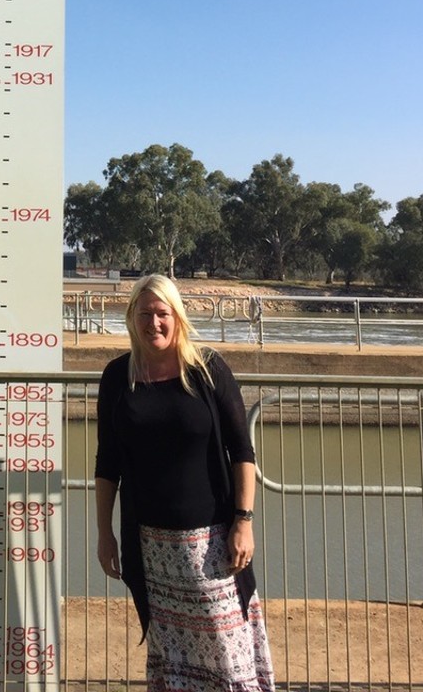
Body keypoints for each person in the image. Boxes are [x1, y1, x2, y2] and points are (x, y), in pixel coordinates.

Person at [94, 273, 275, 692]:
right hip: (153, 548)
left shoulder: (208, 369)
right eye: (145, 314)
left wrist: (243, 522)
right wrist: (105, 534)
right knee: (173, 659)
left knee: (227, 651)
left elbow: (241, 452)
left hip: (212, 543)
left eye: (162, 314)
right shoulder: (118, 377)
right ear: (131, 318)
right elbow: (108, 464)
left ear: (177, 317)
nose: (153, 323)